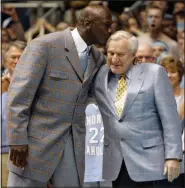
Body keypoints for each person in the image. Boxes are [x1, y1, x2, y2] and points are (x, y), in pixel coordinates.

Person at [6, 4, 112, 187]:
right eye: (106, 25)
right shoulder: (44, 46)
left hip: (73, 148)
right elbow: (18, 97)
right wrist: (17, 140)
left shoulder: (98, 58)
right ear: (88, 23)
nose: (110, 30)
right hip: (33, 146)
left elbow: (98, 98)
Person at [93, 30, 183, 188]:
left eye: (120, 54)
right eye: (111, 53)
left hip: (147, 160)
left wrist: (173, 157)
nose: (114, 59)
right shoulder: (101, 74)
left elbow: (170, 119)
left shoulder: (154, 74)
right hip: (112, 160)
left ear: (134, 54)